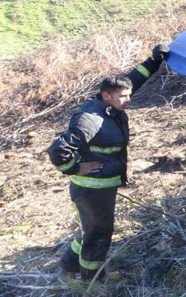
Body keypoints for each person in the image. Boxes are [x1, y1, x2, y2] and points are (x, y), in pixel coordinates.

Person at [48, 44, 169, 281]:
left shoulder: (109, 106)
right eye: (123, 96)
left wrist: (154, 61)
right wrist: (74, 168)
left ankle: (68, 267)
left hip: (102, 185)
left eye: (127, 94)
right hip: (92, 189)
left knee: (91, 229)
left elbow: (133, 80)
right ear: (106, 96)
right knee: (99, 233)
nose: (128, 99)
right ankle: (93, 281)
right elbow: (58, 151)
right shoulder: (90, 120)